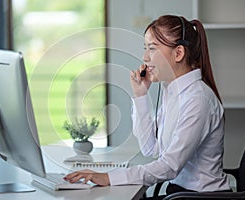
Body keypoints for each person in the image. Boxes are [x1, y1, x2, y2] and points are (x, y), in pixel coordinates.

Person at [64, 15, 231, 199]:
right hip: (180, 193)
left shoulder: (198, 99)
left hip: (200, 196)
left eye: (152, 48)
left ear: (178, 53)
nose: (145, 57)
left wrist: (108, 177)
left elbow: (169, 166)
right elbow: (151, 149)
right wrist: (141, 95)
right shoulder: (172, 91)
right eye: (146, 48)